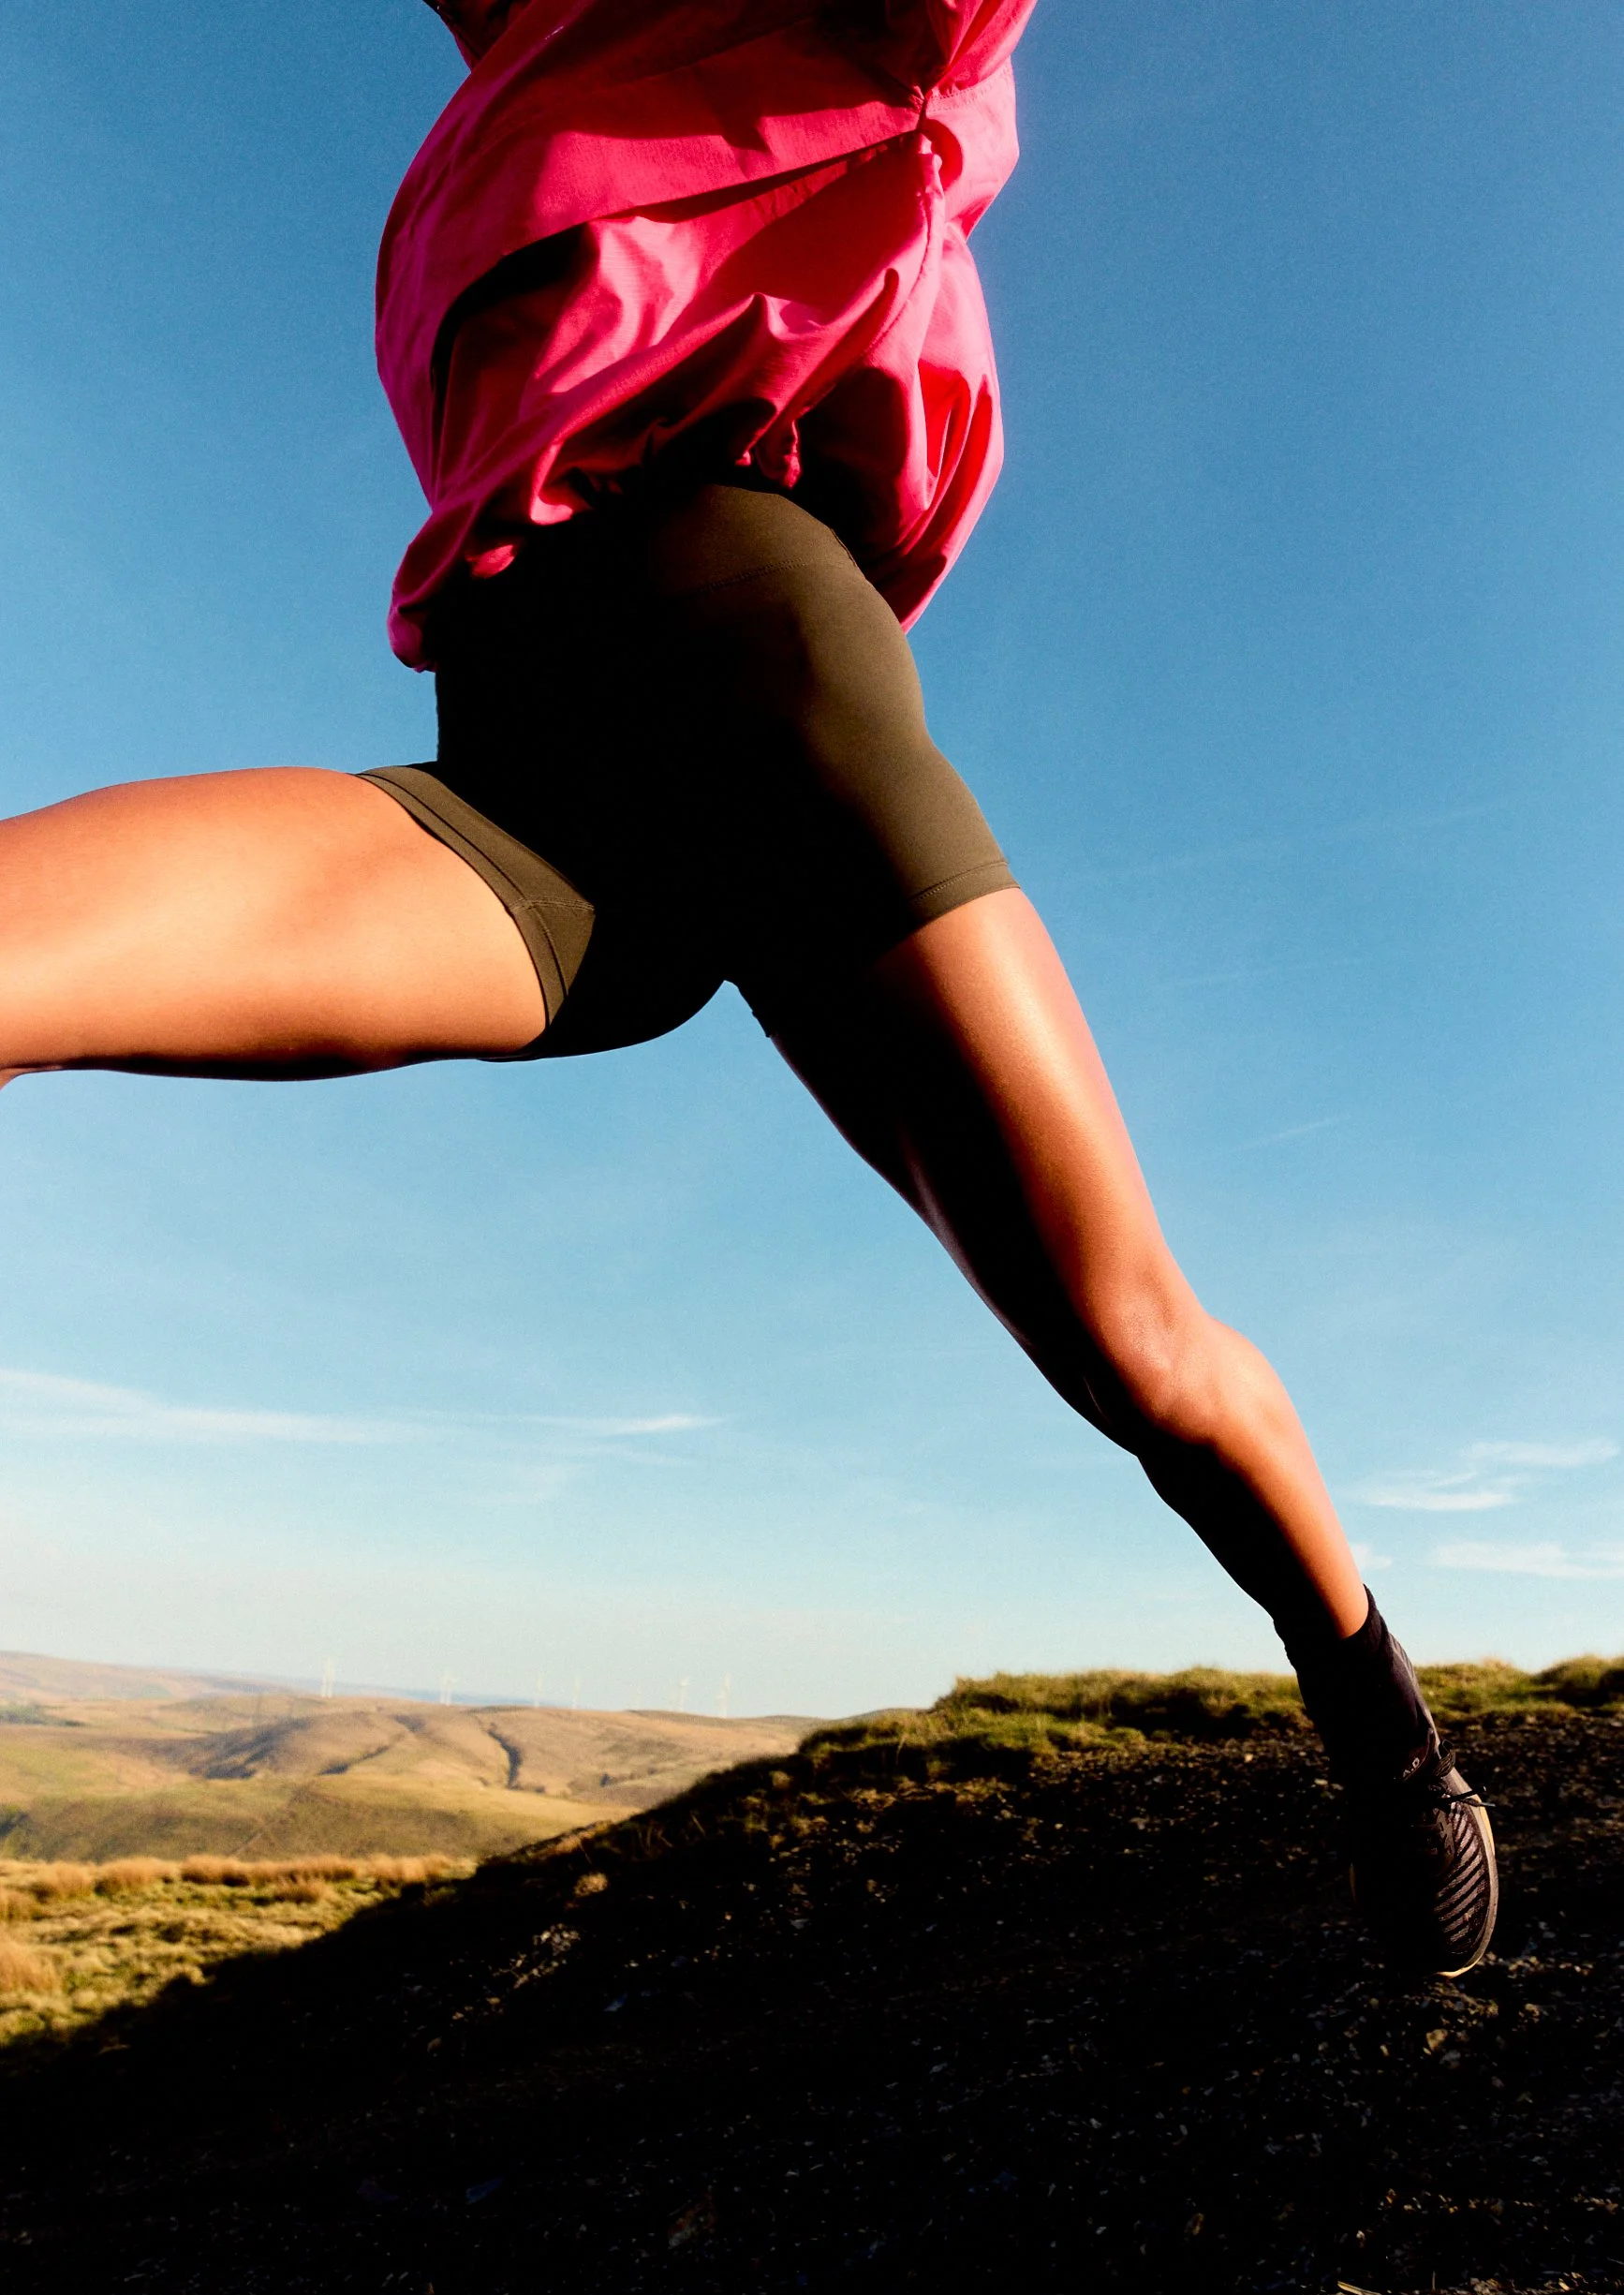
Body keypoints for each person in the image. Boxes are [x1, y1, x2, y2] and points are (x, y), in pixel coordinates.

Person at [0, 0, 1494, 1975]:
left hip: (649, 692)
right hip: (644, 724)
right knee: (1142, 1339)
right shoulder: (565, 60)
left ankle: (1389, 1746)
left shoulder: (794, 38)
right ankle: (1392, 1752)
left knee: (1129, 1337)